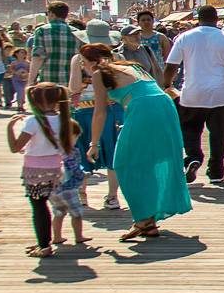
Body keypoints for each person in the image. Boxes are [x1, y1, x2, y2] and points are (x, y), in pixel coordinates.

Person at [81, 43, 192, 242]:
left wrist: (94, 144)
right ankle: (148, 220)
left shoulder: (99, 74)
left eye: (83, 61)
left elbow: (100, 112)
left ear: (94, 62)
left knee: (124, 163)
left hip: (143, 108)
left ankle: (143, 219)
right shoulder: (131, 66)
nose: (82, 65)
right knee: (151, 161)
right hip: (164, 105)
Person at [164, 5, 224, 184]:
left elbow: (171, 66)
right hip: (220, 94)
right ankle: (216, 171)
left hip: (192, 93)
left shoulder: (184, 37)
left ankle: (193, 157)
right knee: (219, 134)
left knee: (190, 130)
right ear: (217, 19)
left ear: (198, 18)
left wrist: (167, 85)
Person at [7, 82, 77, 258]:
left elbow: (15, 147)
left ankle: (44, 245)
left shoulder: (33, 121)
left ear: (36, 102)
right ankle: (44, 241)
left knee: (38, 206)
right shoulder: (64, 119)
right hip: (55, 169)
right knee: (47, 204)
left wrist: (10, 128)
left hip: (34, 170)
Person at [67, 36, 122, 209]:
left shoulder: (114, 58)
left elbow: (74, 88)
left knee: (96, 151)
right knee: (99, 151)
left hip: (97, 109)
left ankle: (97, 195)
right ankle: (101, 195)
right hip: (100, 109)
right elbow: (74, 87)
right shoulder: (114, 57)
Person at [27, 0, 83, 87]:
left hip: (48, 81)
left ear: (51, 13)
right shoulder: (77, 33)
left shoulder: (42, 30)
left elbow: (38, 58)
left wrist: (30, 81)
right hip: (71, 81)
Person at [7, 46, 31, 111]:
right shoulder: (14, 62)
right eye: (21, 52)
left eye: (24, 53)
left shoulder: (27, 63)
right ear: (16, 54)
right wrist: (16, 72)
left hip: (25, 80)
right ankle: (19, 106)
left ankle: (22, 104)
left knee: (23, 92)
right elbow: (11, 69)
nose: (23, 54)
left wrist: (26, 74)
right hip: (16, 79)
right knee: (19, 91)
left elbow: (30, 71)